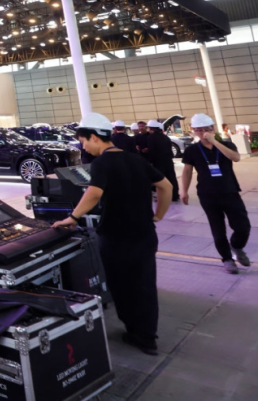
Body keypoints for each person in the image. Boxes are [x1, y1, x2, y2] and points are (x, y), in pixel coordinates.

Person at [54, 112, 172, 355]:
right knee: (145, 285)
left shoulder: (102, 163)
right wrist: (158, 215)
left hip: (117, 237)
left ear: (94, 137)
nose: (83, 147)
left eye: (83, 141)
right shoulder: (136, 159)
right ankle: (147, 336)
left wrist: (73, 217)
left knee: (122, 286)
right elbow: (166, 186)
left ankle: (134, 332)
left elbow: (94, 193)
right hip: (144, 234)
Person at [181, 113, 251, 274]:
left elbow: (236, 158)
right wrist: (184, 191)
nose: (202, 133)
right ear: (193, 131)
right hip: (207, 195)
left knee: (243, 226)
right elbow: (187, 171)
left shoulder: (226, 144)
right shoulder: (192, 150)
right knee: (218, 230)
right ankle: (227, 259)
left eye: (206, 129)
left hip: (230, 191)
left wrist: (214, 141)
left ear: (213, 129)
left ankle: (237, 246)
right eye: (198, 130)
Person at [145, 121, 180, 202]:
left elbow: (152, 151)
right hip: (168, 160)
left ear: (150, 128)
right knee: (171, 177)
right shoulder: (165, 137)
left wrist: (150, 161)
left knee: (160, 179)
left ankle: (163, 196)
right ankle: (174, 195)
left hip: (158, 161)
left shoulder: (151, 138)